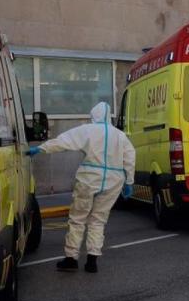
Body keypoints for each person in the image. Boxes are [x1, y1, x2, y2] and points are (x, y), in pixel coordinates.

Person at [29, 102, 136, 274]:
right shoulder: (121, 136)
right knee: (98, 220)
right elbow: (130, 157)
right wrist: (129, 181)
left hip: (89, 178)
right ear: (109, 117)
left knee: (78, 218)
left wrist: (40, 149)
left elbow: (63, 142)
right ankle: (92, 260)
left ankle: (71, 259)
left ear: (94, 115)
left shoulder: (87, 130)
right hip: (114, 180)